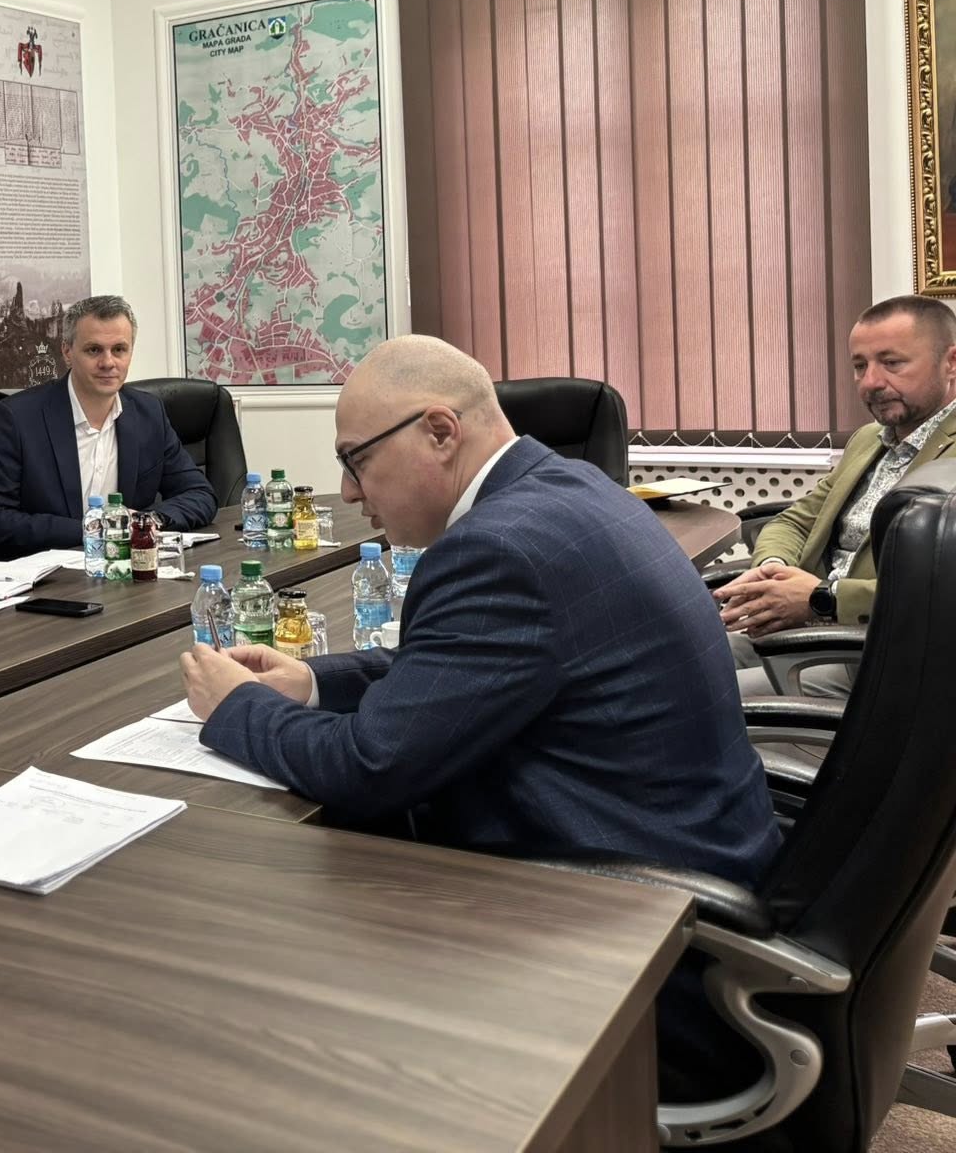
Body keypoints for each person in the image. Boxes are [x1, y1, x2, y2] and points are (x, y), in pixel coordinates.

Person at [179, 335, 777, 881]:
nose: (351, 491)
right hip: (702, 840)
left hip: (630, 898)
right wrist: (312, 683)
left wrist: (237, 706)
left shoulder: (495, 550)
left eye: (355, 460)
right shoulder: (573, 485)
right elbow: (467, 665)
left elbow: (368, 767)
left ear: (440, 432)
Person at [717, 295, 956, 697]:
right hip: (807, 623)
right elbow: (795, 521)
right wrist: (773, 568)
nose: (871, 382)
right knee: (674, 658)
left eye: (892, 363)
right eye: (860, 366)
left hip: (881, 652)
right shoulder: (868, 440)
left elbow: (941, 593)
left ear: (951, 362)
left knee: (698, 696)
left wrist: (823, 599)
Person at [0, 295, 216, 558]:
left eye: (119, 349)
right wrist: (95, 530)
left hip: (124, 569)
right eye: (94, 350)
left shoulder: (148, 413)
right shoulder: (17, 418)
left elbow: (199, 493)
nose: (108, 362)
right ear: (67, 352)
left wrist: (148, 522)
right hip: (47, 571)